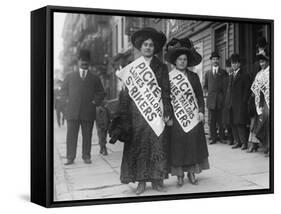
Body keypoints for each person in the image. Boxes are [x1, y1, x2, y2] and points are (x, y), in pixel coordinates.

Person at [112, 27, 172, 195]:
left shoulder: (162, 67)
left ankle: (157, 180)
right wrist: (123, 117)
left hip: (156, 113)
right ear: (140, 47)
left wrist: (167, 110)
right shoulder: (131, 68)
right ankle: (141, 182)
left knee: (157, 147)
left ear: (154, 48)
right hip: (137, 114)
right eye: (145, 45)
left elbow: (166, 90)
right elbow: (125, 94)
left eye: (151, 45)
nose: (148, 47)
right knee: (138, 147)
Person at [166, 37, 209, 187]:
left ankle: (191, 173)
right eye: (179, 59)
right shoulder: (169, 78)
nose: (182, 62)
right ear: (175, 61)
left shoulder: (194, 76)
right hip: (177, 117)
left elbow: (199, 96)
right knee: (178, 145)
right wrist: (168, 116)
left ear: (187, 61)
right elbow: (166, 98)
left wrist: (202, 111)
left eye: (184, 59)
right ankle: (179, 175)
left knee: (192, 144)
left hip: (192, 115)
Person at [62, 49, 105, 165]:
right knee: (71, 136)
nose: (84, 63)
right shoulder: (70, 77)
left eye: (86, 61)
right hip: (72, 112)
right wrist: (66, 101)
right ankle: (70, 157)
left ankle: (86, 156)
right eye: (82, 60)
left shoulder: (94, 78)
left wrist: (95, 102)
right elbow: (63, 91)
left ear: (89, 62)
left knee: (87, 136)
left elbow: (101, 92)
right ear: (78, 61)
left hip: (88, 112)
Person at [224, 53, 251, 150]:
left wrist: (244, 102)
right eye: (232, 63)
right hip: (231, 103)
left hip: (240, 103)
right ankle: (237, 141)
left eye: (235, 63)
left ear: (239, 64)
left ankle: (244, 143)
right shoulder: (231, 76)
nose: (234, 65)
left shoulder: (244, 75)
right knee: (233, 123)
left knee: (240, 123)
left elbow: (247, 89)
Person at [204, 51, 227, 144]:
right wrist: (206, 93)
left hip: (220, 99)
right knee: (211, 120)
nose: (215, 61)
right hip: (211, 100)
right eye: (213, 59)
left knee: (220, 120)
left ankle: (221, 137)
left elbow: (225, 86)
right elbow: (205, 86)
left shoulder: (223, 72)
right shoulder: (208, 73)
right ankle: (213, 137)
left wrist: (223, 97)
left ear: (219, 60)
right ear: (211, 61)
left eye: (216, 59)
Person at [249, 54, 270, 156]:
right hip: (260, 101)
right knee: (258, 120)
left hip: (269, 101)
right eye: (260, 62)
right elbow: (254, 89)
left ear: (267, 61)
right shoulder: (259, 74)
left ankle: (269, 147)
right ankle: (261, 145)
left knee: (267, 119)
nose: (262, 64)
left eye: (263, 62)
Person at [222, 59, 234, 145]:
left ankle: (234, 138)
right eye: (227, 67)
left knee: (233, 120)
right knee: (227, 121)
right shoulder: (225, 79)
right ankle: (230, 138)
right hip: (226, 102)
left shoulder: (234, 77)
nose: (228, 69)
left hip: (233, 101)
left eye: (229, 67)